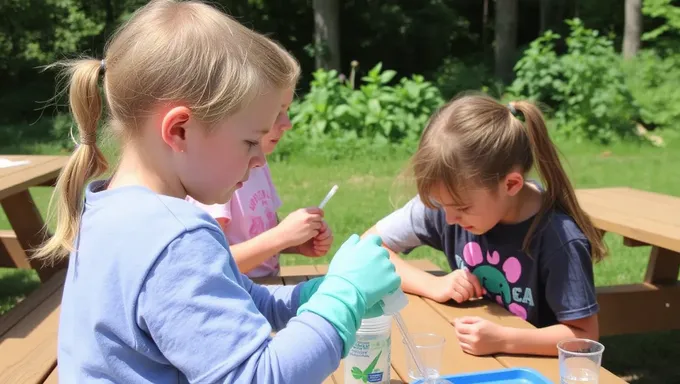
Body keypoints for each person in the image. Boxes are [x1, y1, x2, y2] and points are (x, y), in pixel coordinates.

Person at [34, 1, 400, 382]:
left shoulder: (111, 209)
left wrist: (314, 295)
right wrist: (345, 297)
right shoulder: (176, 239)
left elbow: (244, 299)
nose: (260, 160)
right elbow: (259, 377)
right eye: (249, 142)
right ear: (180, 131)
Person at [364, 93, 607, 357]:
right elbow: (367, 248)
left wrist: (504, 340)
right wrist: (431, 285)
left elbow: (584, 337)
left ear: (511, 185)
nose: (448, 219)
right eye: (441, 204)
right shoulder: (452, 201)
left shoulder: (559, 240)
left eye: (461, 208)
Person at [186, 87, 332, 277]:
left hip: (263, 288)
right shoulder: (218, 176)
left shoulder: (259, 165)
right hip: (234, 298)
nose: (287, 124)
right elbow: (212, 263)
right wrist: (281, 236)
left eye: (287, 111)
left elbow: (260, 230)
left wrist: (296, 242)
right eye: (276, 112)